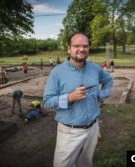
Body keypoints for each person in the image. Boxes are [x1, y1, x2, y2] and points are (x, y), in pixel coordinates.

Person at [43, 32, 113, 167]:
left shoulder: (95, 68)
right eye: (77, 46)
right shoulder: (57, 72)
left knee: (86, 163)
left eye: (85, 46)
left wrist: (101, 94)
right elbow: (47, 101)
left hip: (93, 128)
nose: (82, 49)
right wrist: (69, 98)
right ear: (69, 48)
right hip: (70, 131)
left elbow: (108, 80)